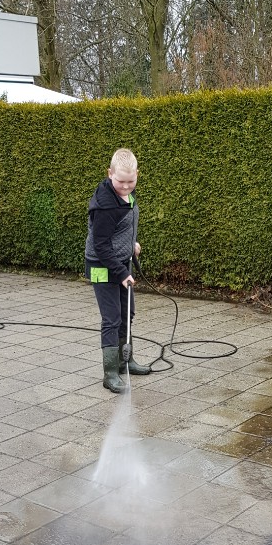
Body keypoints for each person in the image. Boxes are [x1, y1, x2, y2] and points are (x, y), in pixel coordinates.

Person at [85, 147, 151, 393]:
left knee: (128, 313)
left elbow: (122, 229)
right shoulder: (105, 206)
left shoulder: (127, 196)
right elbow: (101, 245)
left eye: (130, 181)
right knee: (112, 318)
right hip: (103, 267)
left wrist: (131, 244)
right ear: (109, 173)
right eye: (120, 181)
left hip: (121, 261)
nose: (125, 186)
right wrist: (122, 274)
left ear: (137, 175)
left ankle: (126, 361)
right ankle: (110, 373)